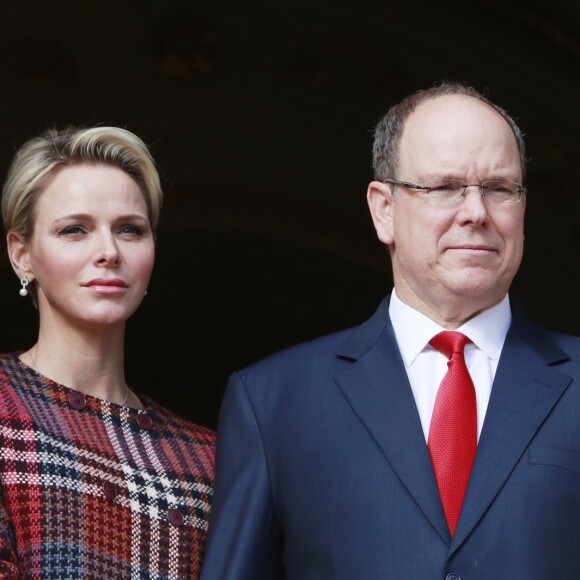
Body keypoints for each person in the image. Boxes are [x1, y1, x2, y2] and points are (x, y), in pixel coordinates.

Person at [200, 83, 580, 579]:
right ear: (384, 209)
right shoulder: (274, 402)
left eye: (500, 189)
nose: (476, 212)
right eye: (444, 187)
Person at [0, 126, 215, 578]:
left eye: (130, 230)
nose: (108, 251)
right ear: (22, 255)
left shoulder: (207, 459)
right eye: (74, 230)